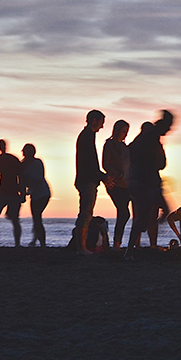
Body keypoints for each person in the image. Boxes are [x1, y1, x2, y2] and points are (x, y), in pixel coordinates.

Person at [125, 110, 174, 260]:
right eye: (169, 126)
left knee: (165, 210)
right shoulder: (150, 136)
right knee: (143, 218)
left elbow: (162, 163)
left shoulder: (154, 138)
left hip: (151, 182)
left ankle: (145, 230)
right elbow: (132, 153)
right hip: (145, 183)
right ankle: (129, 250)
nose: (170, 130)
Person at [74, 109, 113, 255]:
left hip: (87, 179)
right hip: (87, 180)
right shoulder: (86, 137)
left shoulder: (87, 136)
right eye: (101, 123)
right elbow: (90, 163)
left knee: (86, 212)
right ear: (94, 121)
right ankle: (81, 248)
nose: (102, 127)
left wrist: (101, 177)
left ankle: (82, 247)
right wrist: (101, 176)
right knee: (85, 213)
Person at [102, 120, 132, 250]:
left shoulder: (125, 148)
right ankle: (116, 243)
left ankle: (119, 243)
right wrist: (117, 174)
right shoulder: (109, 144)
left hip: (127, 184)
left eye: (126, 132)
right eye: (123, 131)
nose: (124, 134)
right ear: (117, 130)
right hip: (115, 183)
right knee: (124, 212)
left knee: (124, 213)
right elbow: (105, 164)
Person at [20, 143, 51, 248]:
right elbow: (22, 182)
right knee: (36, 218)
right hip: (34, 194)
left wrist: (26, 189)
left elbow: (39, 178)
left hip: (43, 193)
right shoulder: (22, 165)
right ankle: (35, 240)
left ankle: (42, 242)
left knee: (37, 217)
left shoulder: (37, 162)